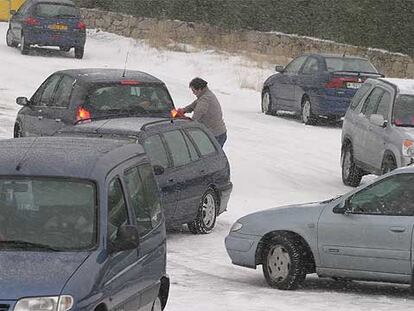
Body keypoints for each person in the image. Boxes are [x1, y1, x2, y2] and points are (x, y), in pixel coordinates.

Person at [177, 77, 227, 147]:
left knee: (209, 156)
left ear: (200, 89)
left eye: (193, 90)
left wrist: (184, 119)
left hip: (215, 135)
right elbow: (193, 105)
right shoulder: (206, 94)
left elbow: (195, 118)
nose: (193, 93)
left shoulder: (205, 99)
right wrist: (183, 110)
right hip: (220, 133)